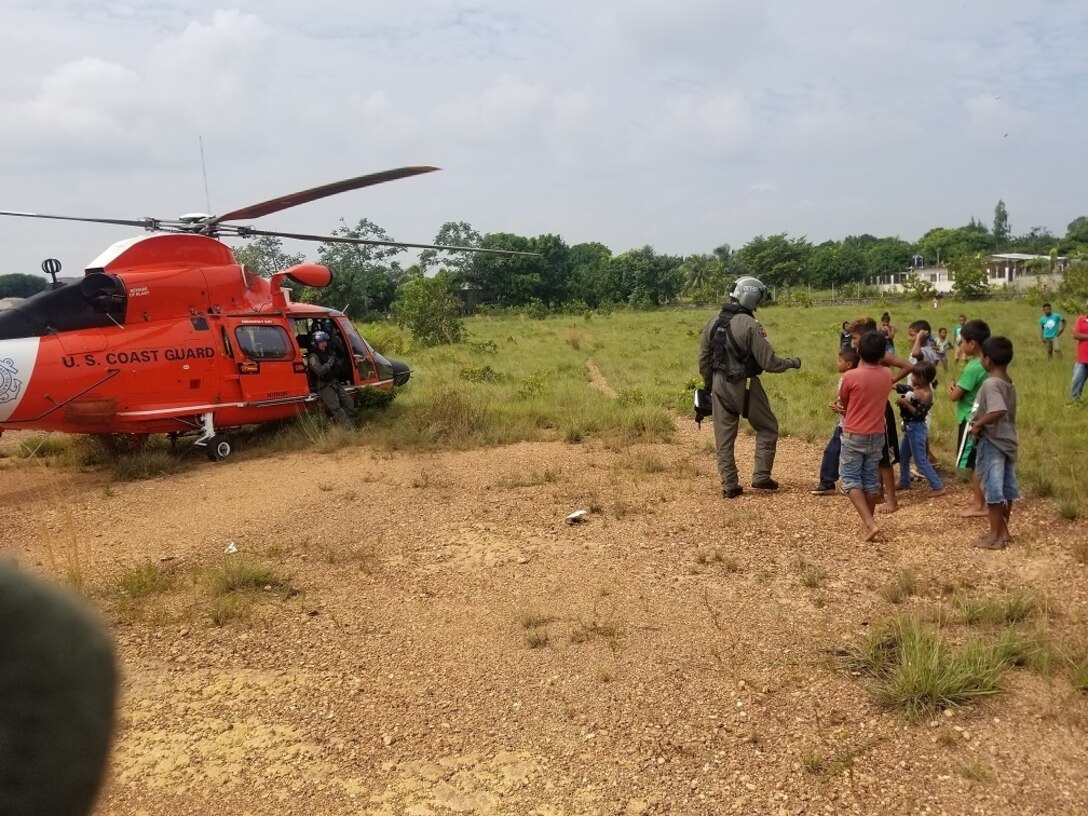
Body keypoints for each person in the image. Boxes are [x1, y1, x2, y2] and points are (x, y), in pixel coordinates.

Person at [698, 276, 801, 499]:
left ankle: (729, 485)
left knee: (724, 439)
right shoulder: (752, 325)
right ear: (752, 296)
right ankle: (761, 477)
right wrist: (793, 362)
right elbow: (770, 363)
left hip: (718, 385)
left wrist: (710, 385)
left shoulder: (712, 321)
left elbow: (703, 359)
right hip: (745, 386)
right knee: (768, 427)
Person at [837, 330, 895, 541]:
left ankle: (870, 524)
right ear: (883, 354)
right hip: (877, 434)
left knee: (850, 479)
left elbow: (844, 403)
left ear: (858, 351)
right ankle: (868, 522)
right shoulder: (887, 375)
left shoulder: (849, 377)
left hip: (854, 433)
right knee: (871, 479)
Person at [969, 336, 1018, 549]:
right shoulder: (1008, 382)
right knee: (1006, 490)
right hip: (1007, 442)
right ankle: (1003, 532)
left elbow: (998, 410)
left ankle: (995, 536)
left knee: (993, 489)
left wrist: (979, 424)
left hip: (993, 442)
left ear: (987, 360)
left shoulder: (991, 384)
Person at [948, 319, 991, 517]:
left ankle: (979, 505)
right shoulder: (989, 362)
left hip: (970, 418)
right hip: (984, 415)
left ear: (972, 343)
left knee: (973, 461)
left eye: (962, 341)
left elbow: (956, 396)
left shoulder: (973, 367)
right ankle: (982, 498)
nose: (961, 346)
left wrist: (952, 389)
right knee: (980, 458)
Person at [811, 346, 859, 495]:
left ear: (849, 364)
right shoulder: (845, 379)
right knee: (833, 451)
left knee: (848, 456)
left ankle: (851, 485)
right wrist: (838, 403)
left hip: (851, 426)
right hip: (843, 424)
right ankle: (828, 482)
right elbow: (844, 399)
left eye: (840, 361)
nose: (836, 363)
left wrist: (841, 409)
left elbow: (855, 405)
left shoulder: (850, 379)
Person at [896, 360, 945, 496]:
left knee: (920, 459)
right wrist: (890, 384)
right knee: (903, 456)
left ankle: (938, 486)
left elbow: (919, 414)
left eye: (915, 376)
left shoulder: (926, 394)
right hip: (909, 428)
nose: (912, 378)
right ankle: (904, 480)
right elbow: (903, 388)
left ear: (924, 379)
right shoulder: (916, 388)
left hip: (917, 429)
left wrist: (905, 403)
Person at [307, 330, 354, 428]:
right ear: (315, 343)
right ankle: (349, 429)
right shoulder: (313, 356)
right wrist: (329, 364)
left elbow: (339, 365)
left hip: (333, 382)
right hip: (323, 385)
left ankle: (346, 424)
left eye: (325, 341)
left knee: (349, 403)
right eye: (321, 342)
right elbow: (319, 371)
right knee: (336, 407)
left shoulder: (329, 353)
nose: (324, 344)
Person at [1071, 309, 1088, 401]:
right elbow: (1076, 335)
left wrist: (1083, 336)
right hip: (1082, 358)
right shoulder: (1081, 319)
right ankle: (1075, 402)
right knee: (1077, 381)